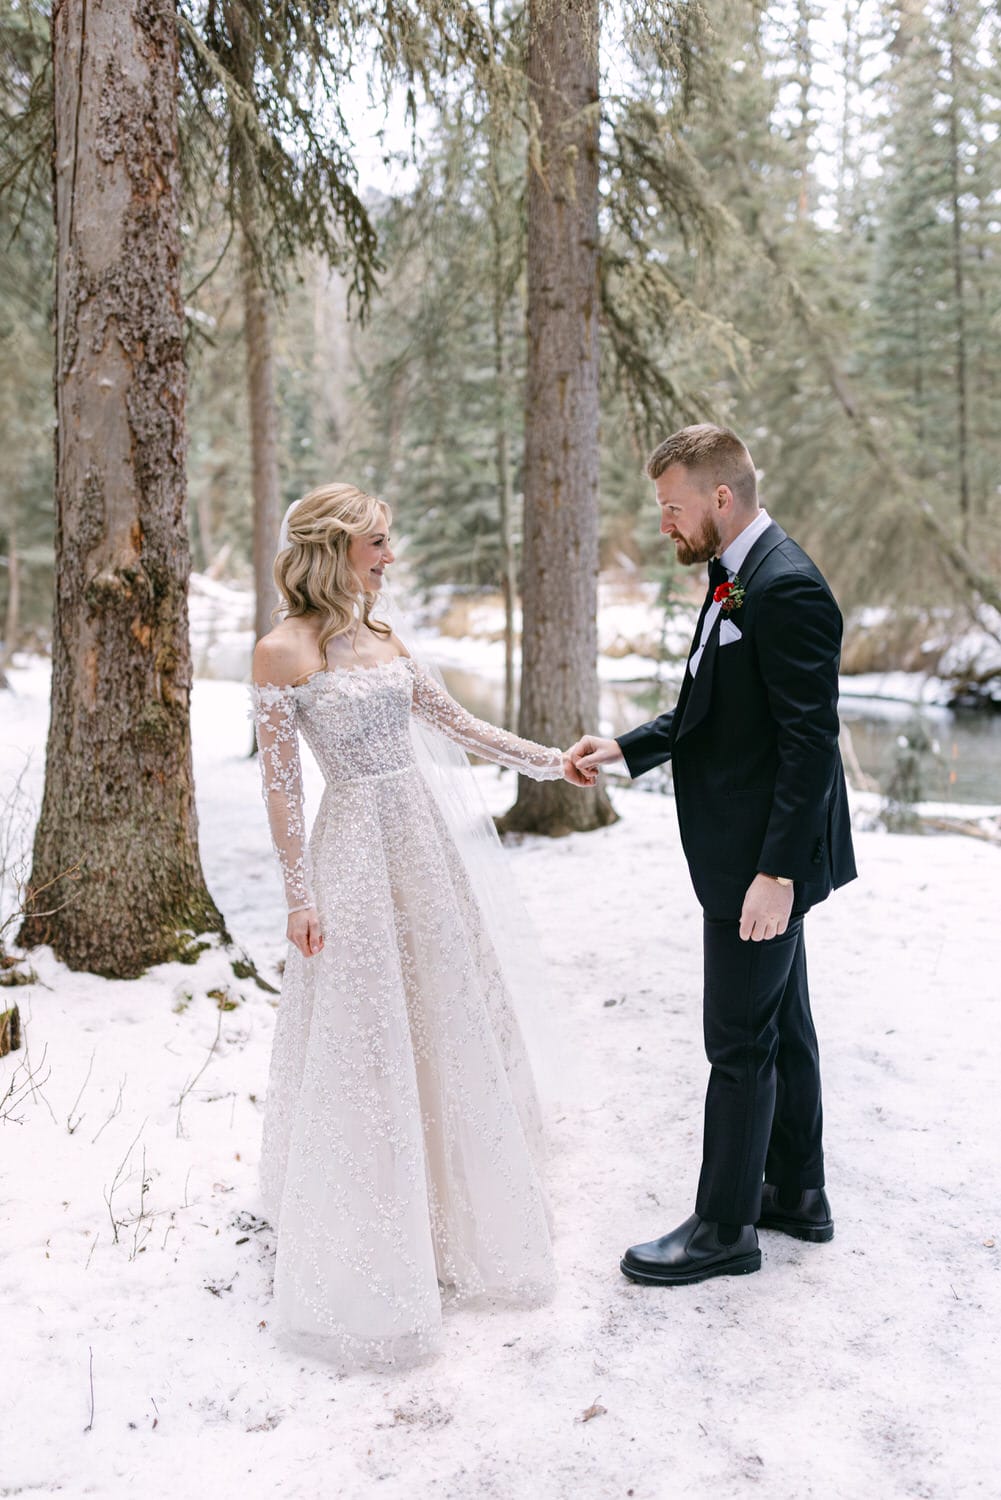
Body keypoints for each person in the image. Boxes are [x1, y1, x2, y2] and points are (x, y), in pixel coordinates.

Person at [250, 482, 574, 1366]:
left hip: (424, 848)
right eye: (376, 544)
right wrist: (298, 896)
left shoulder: (387, 640)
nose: (389, 557)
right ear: (330, 548)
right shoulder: (281, 653)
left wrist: (553, 762)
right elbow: (280, 787)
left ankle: (453, 1215)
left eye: (387, 542)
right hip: (350, 849)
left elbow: (455, 722)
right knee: (366, 1033)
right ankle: (372, 1228)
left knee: (442, 1011)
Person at [568, 424, 857, 1286]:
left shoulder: (787, 588)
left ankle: (724, 1228)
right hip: (746, 849)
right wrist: (625, 748)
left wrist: (777, 874)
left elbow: (809, 746)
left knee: (736, 1041)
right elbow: (710, 709)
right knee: (784, 1027)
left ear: (720, 499)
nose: (663, 522)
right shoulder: (732, 576)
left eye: (671, 506)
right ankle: (796, 1191)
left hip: (759, 861)